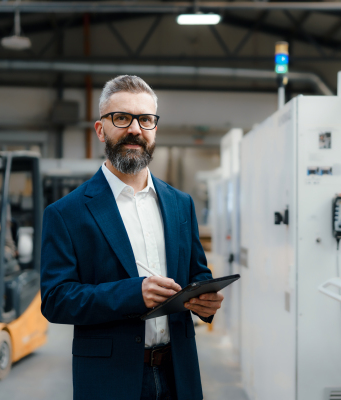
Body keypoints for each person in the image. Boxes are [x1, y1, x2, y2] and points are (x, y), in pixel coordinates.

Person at [40, 75, 224, 400]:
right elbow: (56, 300)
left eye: (146, 119)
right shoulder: (66, 213)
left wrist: (204, 301)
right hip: (110, 380)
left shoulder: (180, 204)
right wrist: (132, 293)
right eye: (122, 118)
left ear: (154, 129)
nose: (135, 129)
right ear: (101, 129)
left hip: (178, 373)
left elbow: (197, 273)